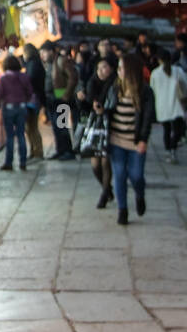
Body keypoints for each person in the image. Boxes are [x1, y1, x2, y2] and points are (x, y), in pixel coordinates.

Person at [104, 51, 155, 225]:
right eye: (118, 68)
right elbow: (108, 109)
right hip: (116, 140)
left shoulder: (145, 91)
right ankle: (122, 210)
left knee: (136, 176)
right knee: (119, 174)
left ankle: (140, 194)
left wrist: (143, 140)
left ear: (132, 70)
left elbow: (147, 118)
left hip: (135, 142)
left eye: (122, 68)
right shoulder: (115, 87)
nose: (118, 71)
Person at [150, 47, 187, 164]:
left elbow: (152, 90)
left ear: (159, 60)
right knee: (178, 129)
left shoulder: (155, 73)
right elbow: (186, 85)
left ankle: (168, 151)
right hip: (176, 104)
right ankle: (173, 148)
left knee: (166, 129)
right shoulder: (177, 71)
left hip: (161, 104)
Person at [83, 56, 117, 208]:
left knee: (105, 162)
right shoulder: (91, 83)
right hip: (94, 126)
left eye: (106, 67)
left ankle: (104, 195)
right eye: (101, 67)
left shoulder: (115, 84)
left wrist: (105, 110)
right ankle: (108, 190)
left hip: (110, 125)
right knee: (95, 165)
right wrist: (81, 100)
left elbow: (116, 104)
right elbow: (84, 108)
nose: (104, 70)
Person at [41, 41, 80, 160]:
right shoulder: (50, 63)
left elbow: (73, 77)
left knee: (62, 126)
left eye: (44, 52)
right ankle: (60, 150)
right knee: (56, 127)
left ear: (51, 51)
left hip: (61, 98)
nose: (42, 55)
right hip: (53, 99)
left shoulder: (61, 61)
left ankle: (68, 151)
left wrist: (66, 95)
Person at [0, 54, 35, 171]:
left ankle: (9, 163)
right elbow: (30, 92)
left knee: (10, 137)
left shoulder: (3, 78)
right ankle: (23, 162)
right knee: (21, 135)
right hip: (22, 107)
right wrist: (24, 100)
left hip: (8, 108)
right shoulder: (24, 77)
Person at [21, 42, 45, 160]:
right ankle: (34, 150)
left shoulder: (33, 64)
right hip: (35, 99)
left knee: (32, 127)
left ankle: (37, 151)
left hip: (32, 100)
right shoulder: (35, 63)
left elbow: (30, 81)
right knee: (30, 127)